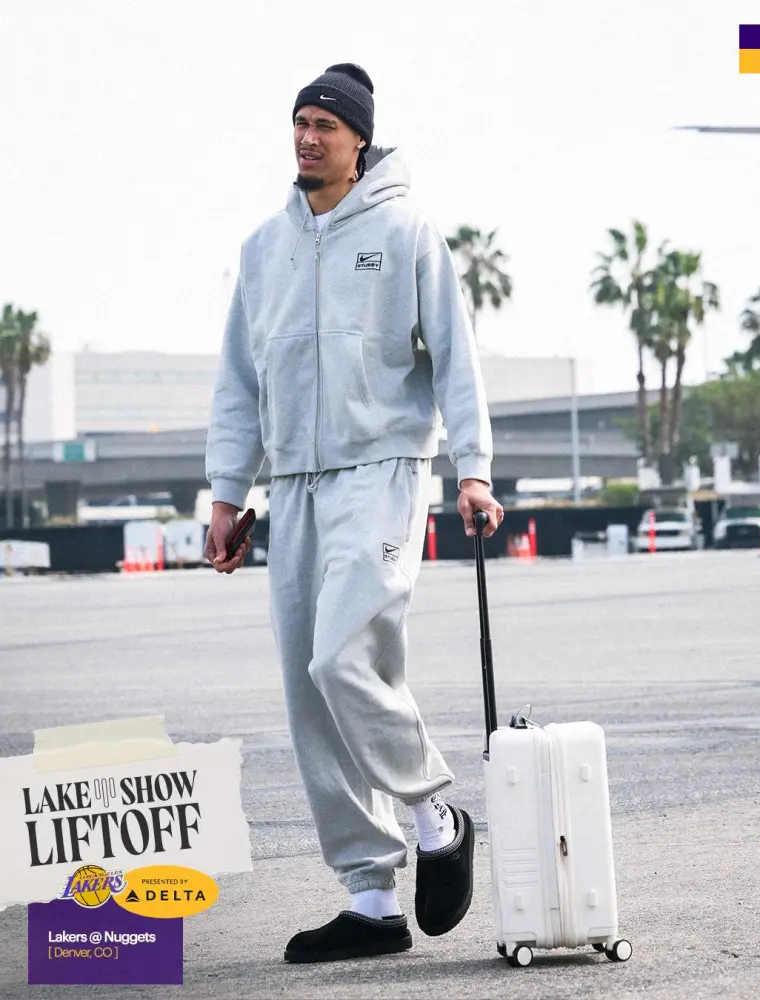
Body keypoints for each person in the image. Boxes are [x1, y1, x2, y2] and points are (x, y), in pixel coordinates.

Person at [204, 62, 503, 964]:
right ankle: (371, 901)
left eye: (325, 125)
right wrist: (228, 494)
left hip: (382, 471)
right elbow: (238, 383)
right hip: (293, 486)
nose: (307, 137)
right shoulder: (264, 248)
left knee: (342, 658)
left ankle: (434, 815)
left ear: (359, 140)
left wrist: (474, 470)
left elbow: (456, 358)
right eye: (300, 121)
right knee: (308, 692)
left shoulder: (407, 232)